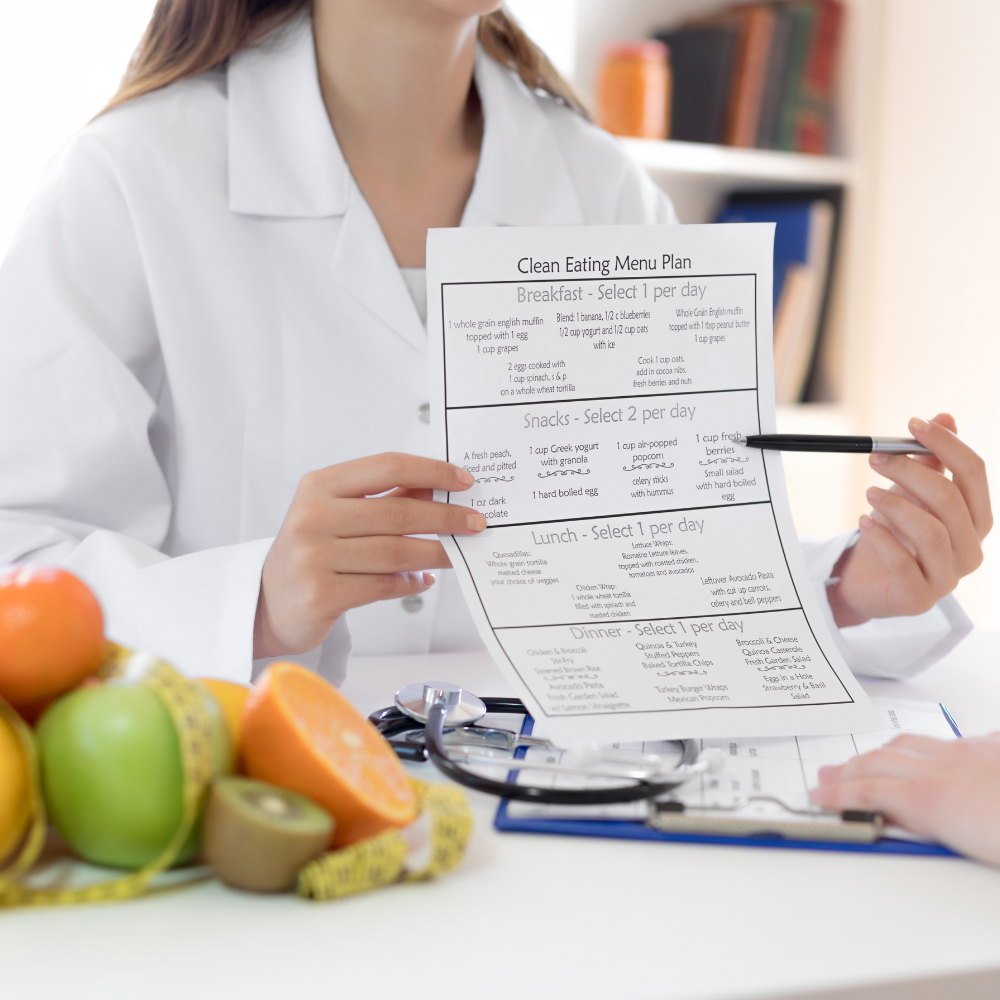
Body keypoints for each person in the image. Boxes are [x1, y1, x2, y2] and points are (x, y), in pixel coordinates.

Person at [0, 0, 990, 696]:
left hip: (552, 832)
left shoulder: (606, 194)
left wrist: (841, 587)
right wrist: (252, 600)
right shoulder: (130, 181)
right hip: (247, 821)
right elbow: (18, 563)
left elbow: (670, 560)